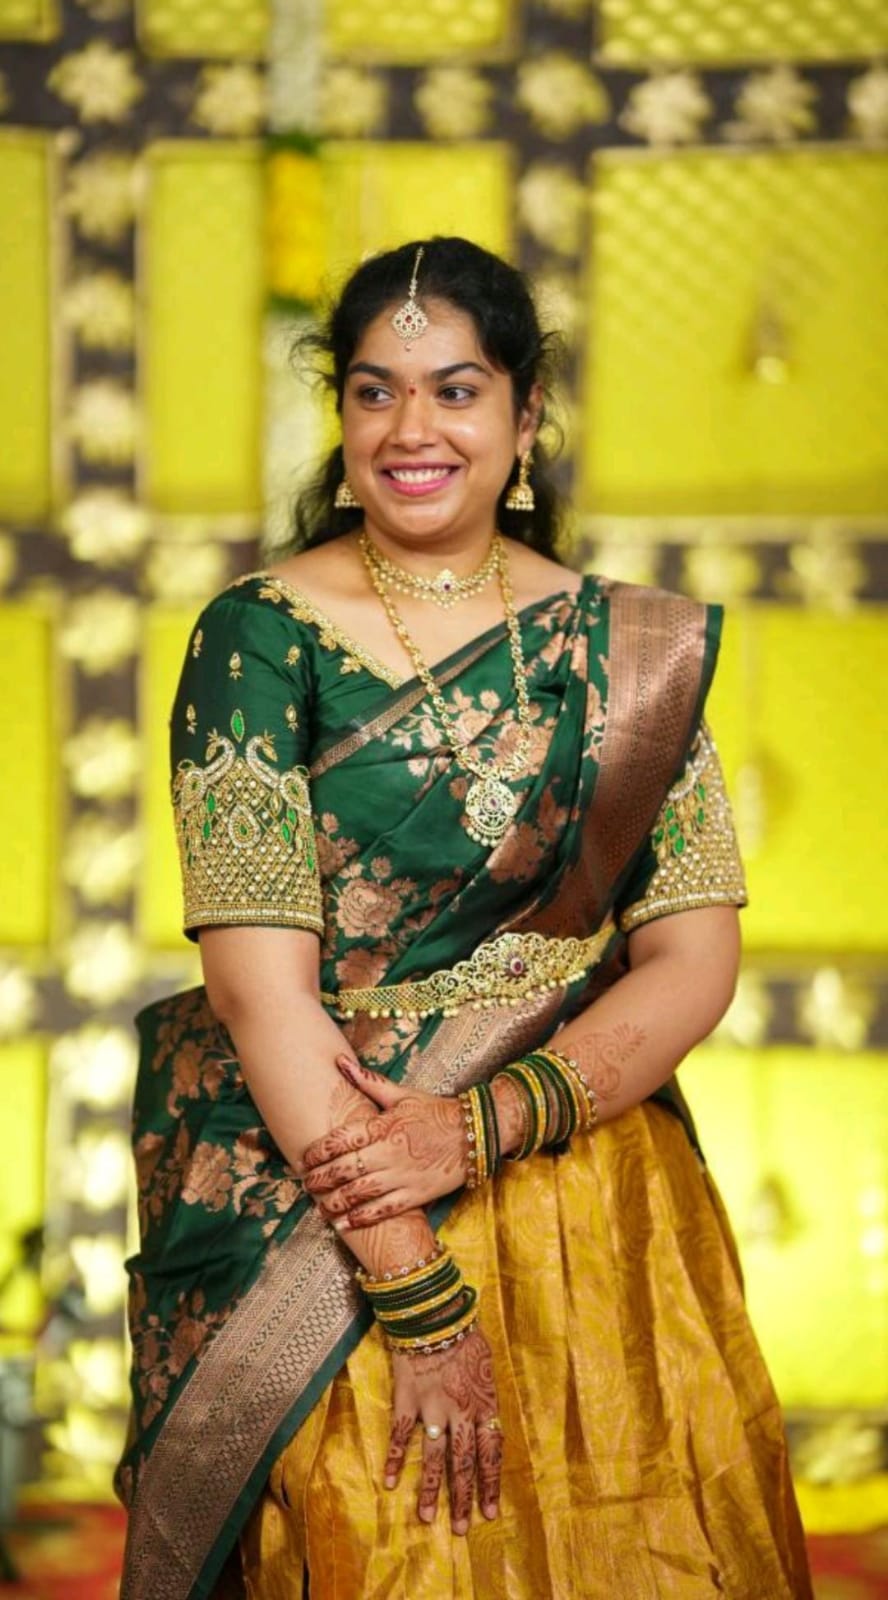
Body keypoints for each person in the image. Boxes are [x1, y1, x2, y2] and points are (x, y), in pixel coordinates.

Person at [116, 237, 812, 1600]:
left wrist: (482, 1124)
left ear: (524, 413)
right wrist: (417, 1298)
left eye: (455, 389)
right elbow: (262, 990)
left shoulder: (631, 651)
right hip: (333, 1208)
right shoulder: (256, 635)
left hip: (591, 1196)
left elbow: (693, 955)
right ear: (340, 415)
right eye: (375, 392)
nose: (412, 429)